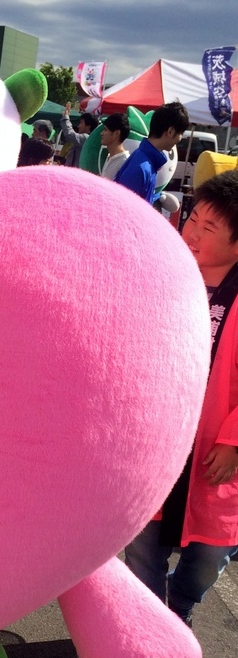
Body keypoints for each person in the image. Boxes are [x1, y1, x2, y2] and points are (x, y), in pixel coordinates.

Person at [124, 170, 238, 626]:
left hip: (213, 452)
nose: (192, 232)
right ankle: (153, 626)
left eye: (209, 228)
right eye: (193, 219)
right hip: (157, 441)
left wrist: (233, 442)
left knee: (209, 555)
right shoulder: (163, 273)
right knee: (142, 541)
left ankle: (181, 605)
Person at [114, 101, 189, 204]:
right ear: (170, 131)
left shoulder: (144, 161)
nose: (180, 138)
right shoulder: (141, 167)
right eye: (181, 133)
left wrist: (157, 197)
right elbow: (124, 206)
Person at [99, 112, 131, 181]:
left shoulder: (124, 162)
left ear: (116, 133)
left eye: (105, 130)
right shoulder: (110, 156)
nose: (101, 133)